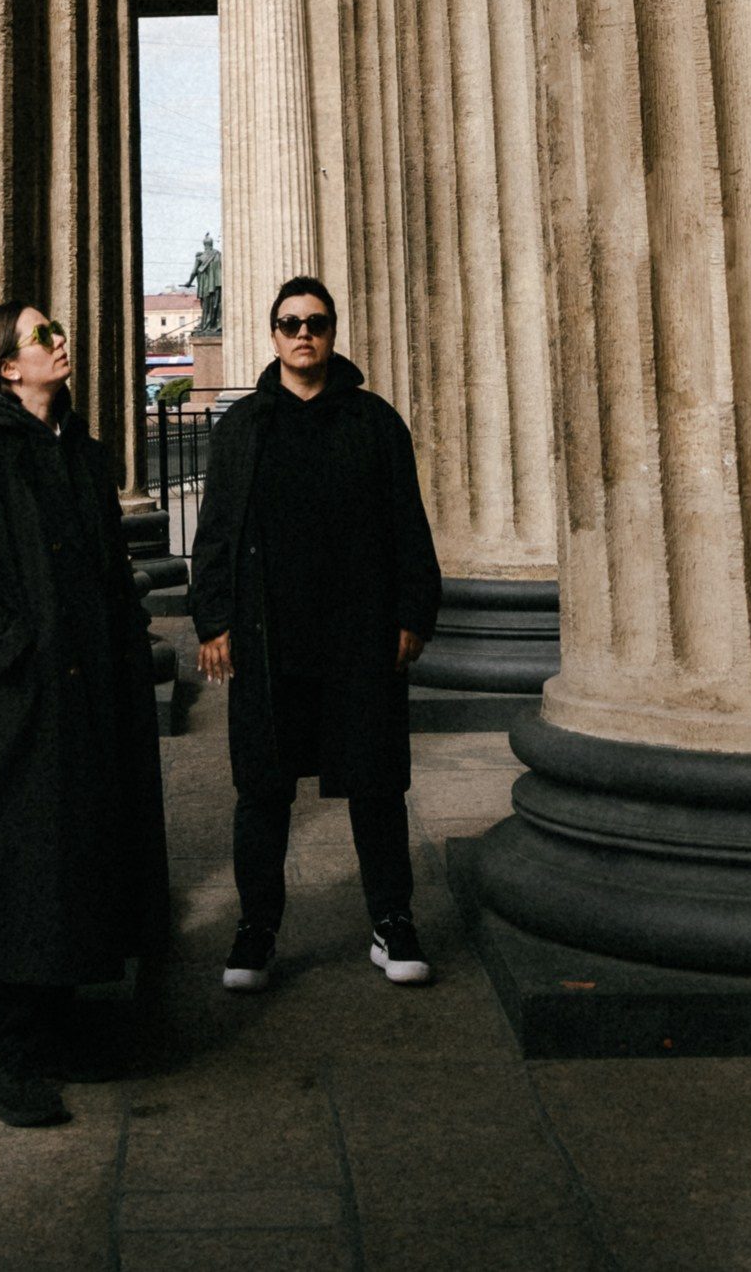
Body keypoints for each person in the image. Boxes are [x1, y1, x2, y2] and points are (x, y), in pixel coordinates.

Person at [0, 300, 168, 1130]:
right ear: (6, 369)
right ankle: (5, 1056)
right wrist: (16, 646)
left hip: (93, 690)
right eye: (41, 337)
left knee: (79, 856)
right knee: (19, 866)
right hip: (23, 699)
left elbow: (105, 569)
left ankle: (58, 1030)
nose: (59, 342)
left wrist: (126, 646)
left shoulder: (83, 455)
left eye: (56, 331)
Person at [190, 274, 442, 993]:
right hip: (269, 641)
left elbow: (408, 529)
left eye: (316, 323)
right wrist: (213, 621)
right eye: (290, 323)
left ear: (332, 334)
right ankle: (255, 929)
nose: (303, 334)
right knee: (261, 791)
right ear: (272, 335)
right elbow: (214, 536)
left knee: (376, 786)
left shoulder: (374, 421)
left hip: (358, 638)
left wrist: (412, 618)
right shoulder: (241, 427)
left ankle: (391, 920)